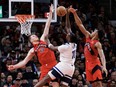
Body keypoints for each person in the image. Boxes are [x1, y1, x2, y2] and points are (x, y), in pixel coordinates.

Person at [8, 4, 59, 87]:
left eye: (35, 35)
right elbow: (24, 62)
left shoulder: (43, 40)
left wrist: (50, 13)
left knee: (56, 84)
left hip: (54, 64)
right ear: (31, 41)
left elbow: (47, 26)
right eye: (32, 36)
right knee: (42, 84)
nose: (34, 35)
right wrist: (14, 66)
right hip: (45, 67)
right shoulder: (32, 50)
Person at [34, 9, 77, 87]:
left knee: (46, 78)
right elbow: (68, 27)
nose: (67, 34)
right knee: (64, 85)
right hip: (71, 68)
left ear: (69, 38)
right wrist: (67, 14)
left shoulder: (66, 46)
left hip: (64, 65)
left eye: (68, 35)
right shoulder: (74, 44)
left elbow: (52, 48)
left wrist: (47, 40)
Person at [69, 6, 108, 87]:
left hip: (95, 64)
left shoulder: (97, 43)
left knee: (99, 84)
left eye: (94, 31)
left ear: (96, 34)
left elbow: (102, 55)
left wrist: (104, 67)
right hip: (87, 64)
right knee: (93, 84)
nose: (92, 31)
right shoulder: (87, 36)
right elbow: (80, 24)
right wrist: (74, 13)